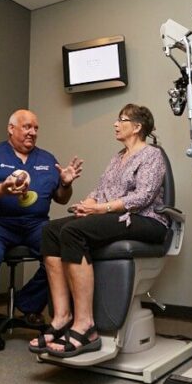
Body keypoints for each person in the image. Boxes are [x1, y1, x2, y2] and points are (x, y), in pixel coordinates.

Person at [29, 104, 169, 358]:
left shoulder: (152, 155)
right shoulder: (118, 157)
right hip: (115, 215)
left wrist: (101, 209)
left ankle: (86, 326)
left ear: (137, 127)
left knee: (73, 232)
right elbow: (101, 189)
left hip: (145, 220)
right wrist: (87, 204)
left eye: (121, 120)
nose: (115, 124)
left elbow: (143, 197)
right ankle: (62, 317)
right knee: (51, 230)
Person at [0, 110, 83, 377]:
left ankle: (27, 303)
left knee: (62, 252)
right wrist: (2, 189)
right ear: (11, 128)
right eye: (26, 127)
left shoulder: (47, 159)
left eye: (36, 128)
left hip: (35, 224)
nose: (32, 132)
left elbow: (61, 198)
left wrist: (66, 184)